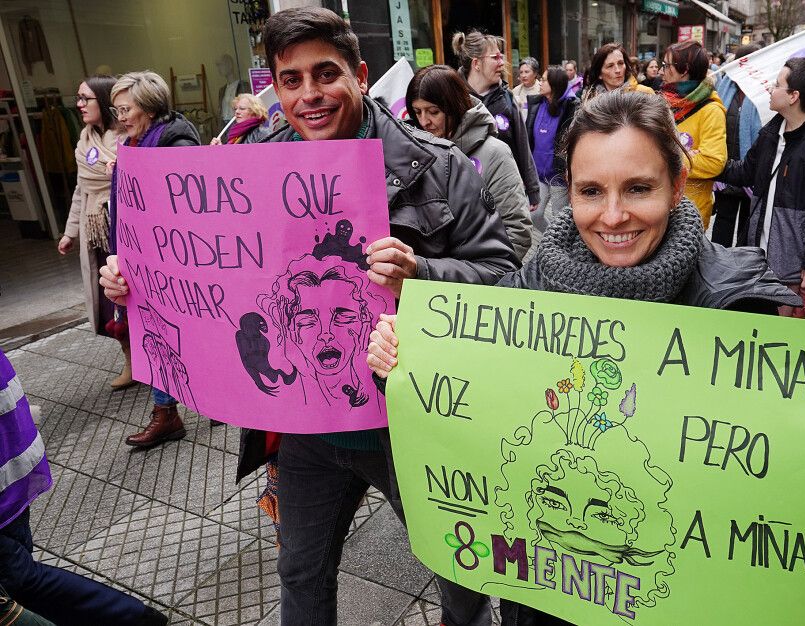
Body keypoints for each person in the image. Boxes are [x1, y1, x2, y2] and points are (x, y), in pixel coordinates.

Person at [366, 90, 805, 626]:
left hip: (671, 599)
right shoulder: (532, 285)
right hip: (544, 598)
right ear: (569, 193)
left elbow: (777, 454)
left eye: (639, 188)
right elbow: (465, 398)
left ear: (676, 186)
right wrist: (403, 363)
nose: (613, 216)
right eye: (591, 191)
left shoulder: (737, 296)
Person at [100, 9, 519, 626]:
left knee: (458, 578)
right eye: (290, 80)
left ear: (360, 74)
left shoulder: (439, 166)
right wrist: (134, 283)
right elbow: (205, 270)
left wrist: (423, 277)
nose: (309, 94)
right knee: (300, 572)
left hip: (411, 422)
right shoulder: (248, 166)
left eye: (325, 74)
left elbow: (505, 280)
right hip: (304, 431)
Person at [0, 348, 169, 625]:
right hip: (11, 460)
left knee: (18, 578)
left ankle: (133, 618)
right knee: (17, 577)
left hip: (7, 466)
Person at [104, 70, 201, 448]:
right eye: (117, 109)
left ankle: (203, 404)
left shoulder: (175, 141)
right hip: (143, 256)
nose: (121, 117)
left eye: (126, 108)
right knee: (154, 332)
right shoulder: (134, 143)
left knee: (188, 333)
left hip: (176, 258)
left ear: (149, 106)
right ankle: (167, 413)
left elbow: (190, 198)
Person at [717, 57, 805, 321]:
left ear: (794, 96)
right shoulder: (773, 131)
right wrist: (702, 162)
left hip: (795, 269)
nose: (770, 88)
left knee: (787, 340)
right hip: (758, 260)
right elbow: (745, 171)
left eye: (778, 84)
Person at [408, 65, 533, 258]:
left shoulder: (494, 154)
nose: (424, 121)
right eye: (417, 112)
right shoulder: (415, 154)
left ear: (454, 106)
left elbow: (517, 230)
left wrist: (478, 276)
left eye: (433, 111)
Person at [56, 75, 127, 389]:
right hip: (95, 230)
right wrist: (70, 232)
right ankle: (131, 360)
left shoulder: (125, 136)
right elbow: (80, 189)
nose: (79, 105)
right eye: (78, 98)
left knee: (131, 295)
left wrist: (119, 172)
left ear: (103, 99)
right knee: (110, 300)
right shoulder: (83, 141)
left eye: (86, 98)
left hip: (122, 228)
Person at [453, 30, 541, 212]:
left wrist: (532, 189)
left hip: (504, 193)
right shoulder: (453, 98)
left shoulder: (507, 99)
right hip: (465, 196)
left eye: (501, 57)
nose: (502, 63)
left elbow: (522, 146)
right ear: (476, 63)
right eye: (495, 57)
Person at [660, 40, 726, 229]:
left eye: (666, 65)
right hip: (659, 203)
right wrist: (690, 155)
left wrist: (667, 156)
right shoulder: (662, 101)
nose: (661, 71)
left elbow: (714, 162)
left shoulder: (711, 110)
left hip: (690, 212)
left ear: (684, 69)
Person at [712, 43, 762, 247]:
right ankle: (717, 265)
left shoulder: (765, 93)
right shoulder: (723, 88)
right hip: (727, 171)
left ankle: (743, 269)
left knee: (748, 226)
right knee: (723, 222)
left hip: (753, 171)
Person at [525, 64, 579, 226]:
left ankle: (559, 248)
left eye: (543, 80)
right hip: (538, 173)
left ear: (554, 84)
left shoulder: (572, 107)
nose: (540, 82)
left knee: (559, 219)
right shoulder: (536, 104)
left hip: (558, 175)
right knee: (534, 215)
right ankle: (550, 243)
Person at [579, 43, 654, 104]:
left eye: (621, 63)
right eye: (610, 66)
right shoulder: (589, 101)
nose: (618, 70)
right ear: (599, 74)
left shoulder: (645, 94)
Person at [511, 57, 541, 121]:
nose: (523, 75)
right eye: (521, 72)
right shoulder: (516, 91)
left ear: (535, 73)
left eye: (526, 72)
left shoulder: (541, 89)